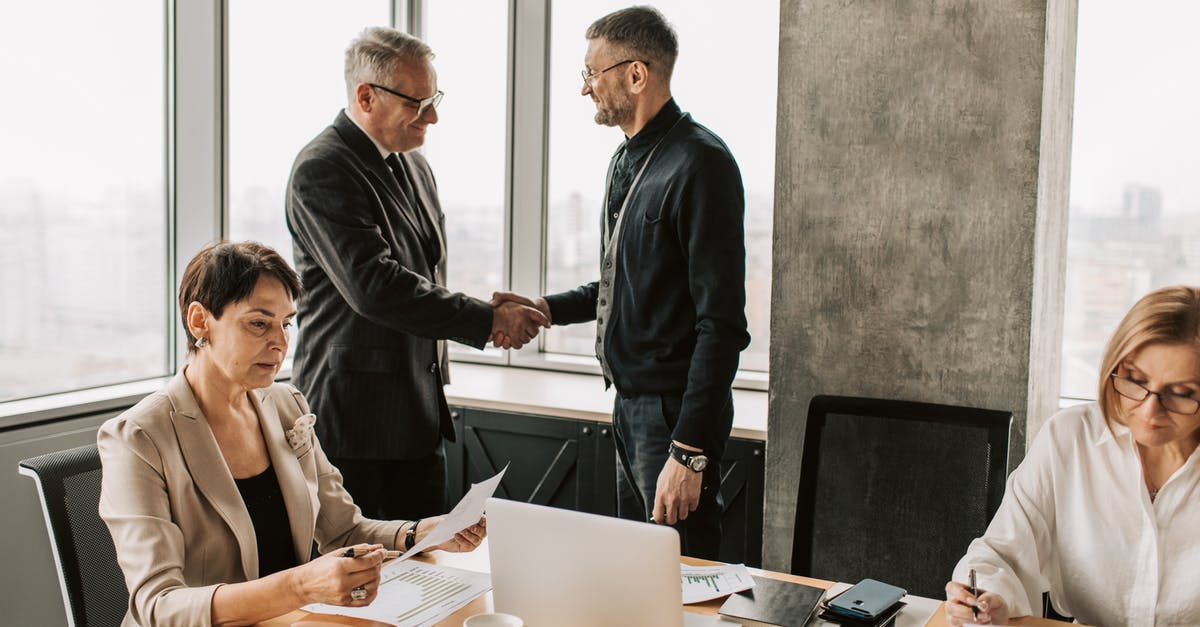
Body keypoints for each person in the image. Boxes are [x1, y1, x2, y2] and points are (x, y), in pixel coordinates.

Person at [98, 241, 486, 626]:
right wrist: (301, 585)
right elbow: (159, 606)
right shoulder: (136, 437)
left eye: (286, 323)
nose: (281, 343)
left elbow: (344, 530)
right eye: (258, 323)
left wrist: (419, 534)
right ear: (200, 321)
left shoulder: (286, 405)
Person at [492, 6, 749, 559]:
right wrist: (545, 307)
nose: (585, 89)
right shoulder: (624, 160)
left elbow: (721, 325)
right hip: (629, 409)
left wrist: (690, 452)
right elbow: (622, 284)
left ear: (636, 75)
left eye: (592, 73)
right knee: (639, 575)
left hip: (673, 419)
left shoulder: (702, 164)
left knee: (684, 581)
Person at [285, 27, 548, 520]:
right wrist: (487, 319)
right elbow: (375, 287)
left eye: (435, 98)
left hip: (419, 417)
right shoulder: (322, 169)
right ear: (366, 96)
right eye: (418, 102)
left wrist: (492, 312)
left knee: (428, 566)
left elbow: (423, 274)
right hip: (355, 427)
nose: (433, 116)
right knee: (363, 585)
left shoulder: (415, 166)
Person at [944, 285, 1200, 626]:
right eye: (1135, 380)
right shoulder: (1070, 437)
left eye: (1182, 393)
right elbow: (1001, 552)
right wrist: (988, 598)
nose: (1149, 410)